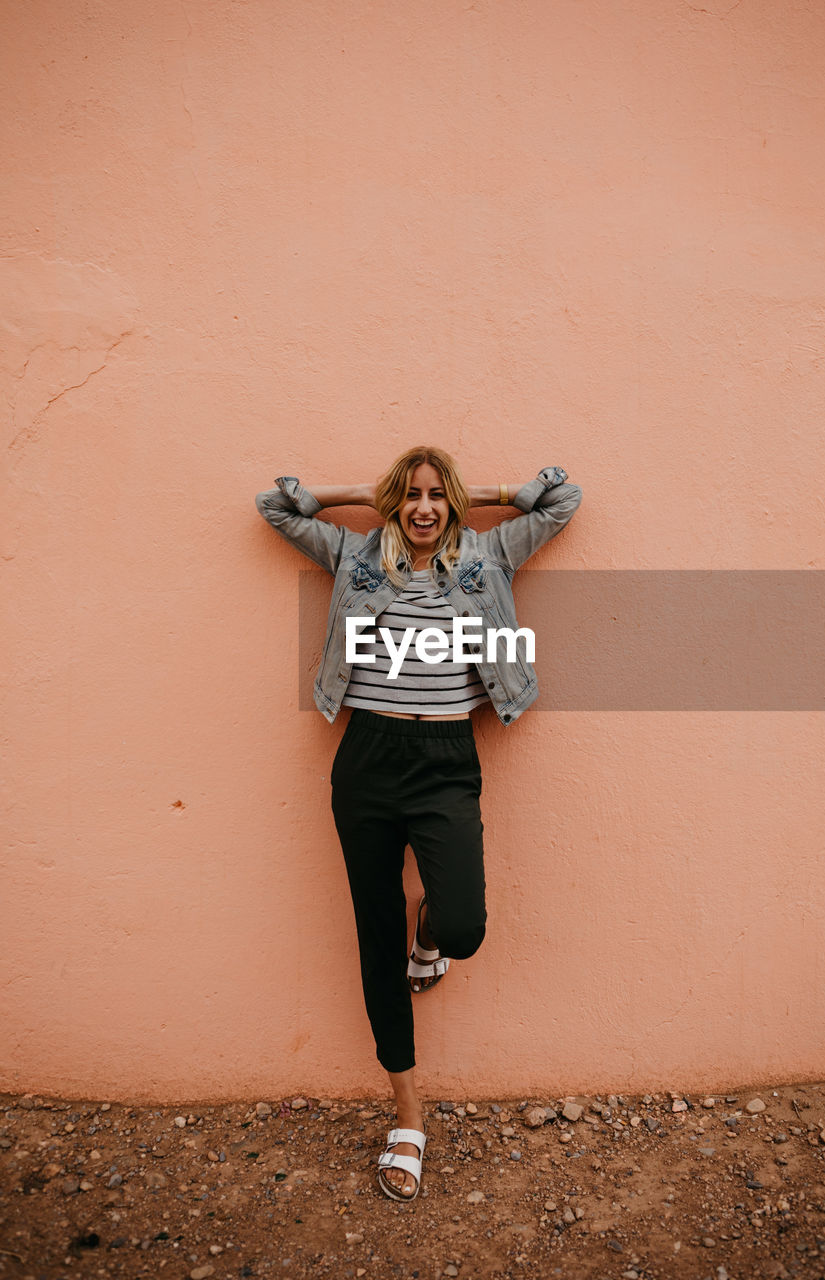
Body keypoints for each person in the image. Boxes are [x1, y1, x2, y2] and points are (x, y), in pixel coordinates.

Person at [255, 446, 582, 1201]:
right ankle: (407, 1117)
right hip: (366, 756)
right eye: (411, 496)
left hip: (445, 755)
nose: (425, 509)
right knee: (375, 936)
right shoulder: (355, 552)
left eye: (438, 495)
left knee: (464, 924)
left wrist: (500, 493)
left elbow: (562, 503)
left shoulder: (491, 550)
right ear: (394, 503)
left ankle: (428, 936)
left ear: (455, 501)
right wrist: (354, 497)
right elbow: (271, 507)